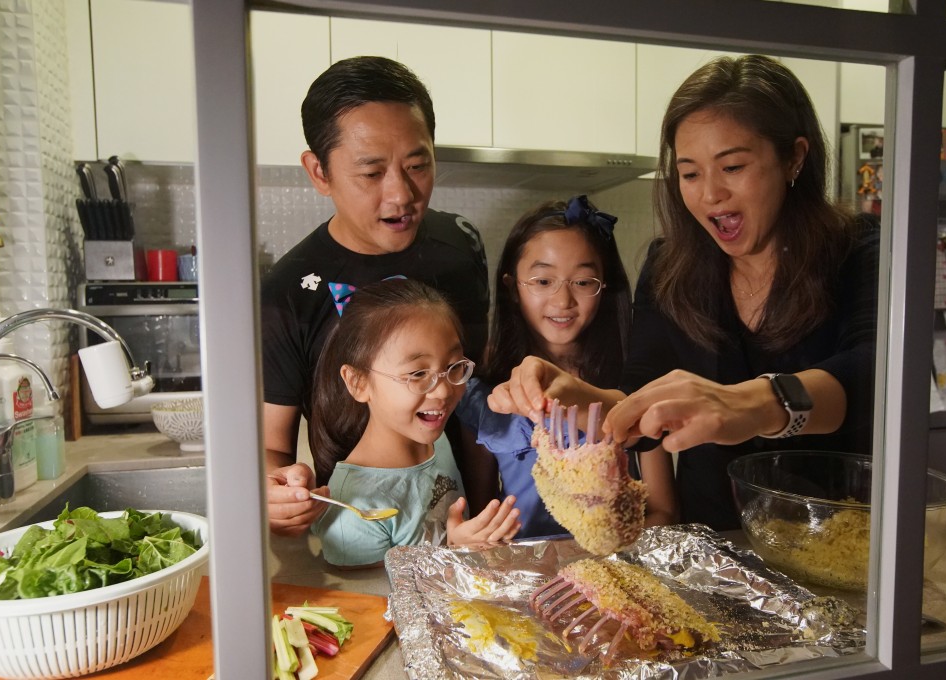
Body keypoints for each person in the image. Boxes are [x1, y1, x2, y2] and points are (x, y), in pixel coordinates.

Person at [488, 54, 879, 530]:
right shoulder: (670, 267)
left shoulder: (857, 251)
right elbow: (640, 399)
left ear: (794, 157)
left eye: (732, 166)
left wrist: (754, 403)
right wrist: (577, 395)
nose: (710, 194)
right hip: (713, 543)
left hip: (837, 535)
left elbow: (875, 377)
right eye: (690, 174)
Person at [260, 56, 490, 536]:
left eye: (417, 165)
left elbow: (477, 396)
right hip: (362, 532)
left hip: (465, 532)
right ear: (319, 172)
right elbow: (271, 445)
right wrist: (275, 491)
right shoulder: (289, 290)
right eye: (371, 172)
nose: (401, 195)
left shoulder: (460, 248)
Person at [456, 195, 674, 538]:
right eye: (543, 281)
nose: (563, 301)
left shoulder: (635, 381)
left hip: (617, 558)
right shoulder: (484, 392)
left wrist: (607, 552)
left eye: (583, 282)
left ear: (605, 287)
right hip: (522, 566)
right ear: (512, 287)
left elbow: (663, 509)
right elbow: (484, 516)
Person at [307, 278, 521, 567]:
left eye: (452, 366)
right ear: (358, 382)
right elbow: (369, 594)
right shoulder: (353, 513)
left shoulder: (434, 438)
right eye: (418, 374)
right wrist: (454, 553)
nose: (443, 391)